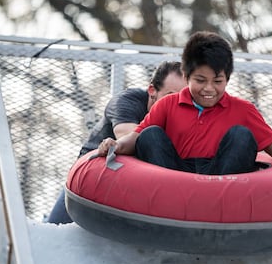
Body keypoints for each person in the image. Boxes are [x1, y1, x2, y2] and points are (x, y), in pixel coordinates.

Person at [96, 31, 272, 176]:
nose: (209, 89)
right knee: (150, 133)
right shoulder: (168, 104)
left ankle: (223, 203)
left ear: (227, 79)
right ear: (187, 76)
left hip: (220, 174)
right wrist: (116, 145)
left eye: (217, 81)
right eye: (200, 80)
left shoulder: (243, 110)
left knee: (242, 134)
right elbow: (134, 138)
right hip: (174, 173)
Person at [46, 60, 186, 224]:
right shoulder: (128, 101)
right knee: (56, 230)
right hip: (92, 179)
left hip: (142, 188)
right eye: (170, 97)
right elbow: (128, 135)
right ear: (152, 90)